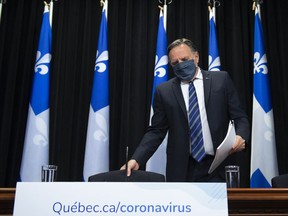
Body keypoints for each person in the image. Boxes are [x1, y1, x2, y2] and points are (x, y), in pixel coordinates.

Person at [121, 38, 249, 182]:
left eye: (184, 59)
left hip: (219, 165)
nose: (181, 65)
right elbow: (156, 131)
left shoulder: (221, 80)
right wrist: (136, 159)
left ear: (196, 57)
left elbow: (239, 117)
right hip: (183, 170)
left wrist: (240, 136)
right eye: (175, 63)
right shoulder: (164, 91)